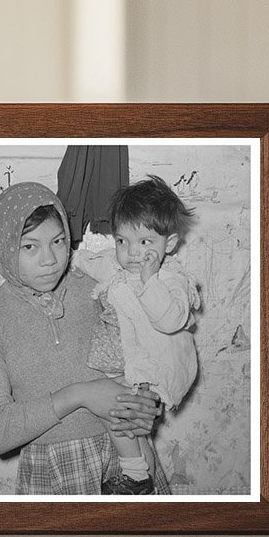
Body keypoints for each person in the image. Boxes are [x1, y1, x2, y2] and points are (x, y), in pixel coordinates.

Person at [0, 182, 160, 495]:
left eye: (58, 242)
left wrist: (146, 408)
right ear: (6, 245)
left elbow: (145, 360)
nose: (49, 259)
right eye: (29, 246)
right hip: (54, 473)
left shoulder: (98, 286)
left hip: (127, 460)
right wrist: (79, 395)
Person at [73, 176, 200, 495]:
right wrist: (69, 258)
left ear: (168, 245)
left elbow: (171, 320)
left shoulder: (172, 279)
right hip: (132, 369)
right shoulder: (119, 268)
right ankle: (144, 478)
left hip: (158, 369)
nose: (131, 253)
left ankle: (135, 476)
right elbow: (91, 263)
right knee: (131, 428)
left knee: (123, 418)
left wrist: (150, 280)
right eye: (122, 241)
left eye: (145, 243)